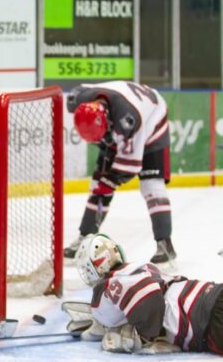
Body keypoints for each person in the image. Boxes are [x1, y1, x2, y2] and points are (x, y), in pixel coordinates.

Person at [64, 81, 175, 264]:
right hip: (123, 113)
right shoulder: (78, 99)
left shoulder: (129, 120)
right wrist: (103, 183)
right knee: (99, 183)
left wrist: (108, 182)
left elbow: (130, 166)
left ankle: (165, 245)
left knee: (152, 185)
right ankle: (86, 237)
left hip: (152, 117)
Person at [71, 233, 223, 355]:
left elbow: (149, 296)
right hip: (211, 295)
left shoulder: (112, 284)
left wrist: (144, 337)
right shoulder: (141, 266)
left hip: (208, 319)